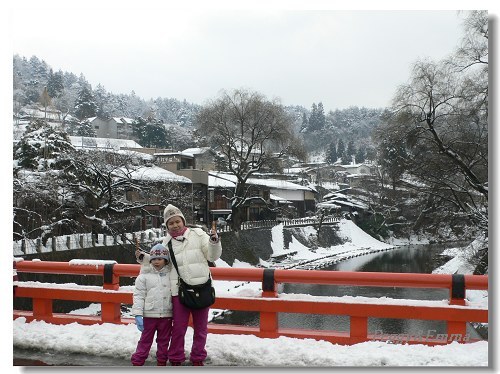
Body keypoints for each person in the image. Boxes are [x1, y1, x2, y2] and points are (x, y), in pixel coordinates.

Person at [136, 204, 222, 366]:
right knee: (178, 329)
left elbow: (212, 255)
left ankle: (197, 357)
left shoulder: (198, 234)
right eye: (171, 223)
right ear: (167, 226)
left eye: (177, 221)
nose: (175, 225)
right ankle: (176, 358)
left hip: (202, 287)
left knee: (201, 329)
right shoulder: (166, 242)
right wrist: (145, 258)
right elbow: (162, 263)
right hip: (179, 291)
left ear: (183, 221)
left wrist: (214, 242)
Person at [131, 243, 173, 366]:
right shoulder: (144, 276)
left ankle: (161, 361)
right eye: (153, 259)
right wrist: (138, 314)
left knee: (164, 340)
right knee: (145, 340)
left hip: (166, 314)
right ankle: (138, 361)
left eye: (160, 259)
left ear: (165, 260)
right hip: (149, 314)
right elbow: (139, 295)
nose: (156, 261)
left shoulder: (171, 275)